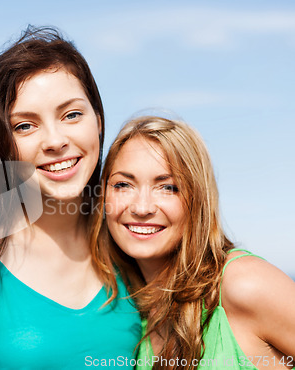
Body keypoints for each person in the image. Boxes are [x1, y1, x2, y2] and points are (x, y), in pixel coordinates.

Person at [0, 26, 141, 369]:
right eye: (25, 125)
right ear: (2, 145)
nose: (54, 140)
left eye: (71, 115)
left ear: (98, 120)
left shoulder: (135, 241)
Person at [91, 115, 295, 369]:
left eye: (168, 187)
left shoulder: (245, 284)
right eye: (123, 184)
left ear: (198, 199)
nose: (141, 207)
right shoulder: (129, 310)